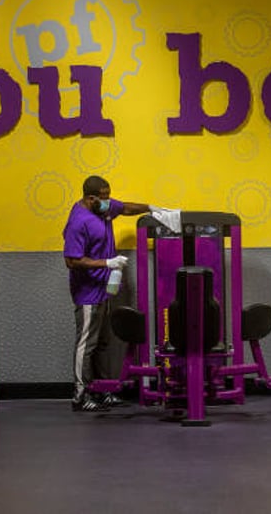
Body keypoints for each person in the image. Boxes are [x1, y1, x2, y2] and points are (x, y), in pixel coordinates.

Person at [63, 174, 158, 412]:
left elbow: (125, 208)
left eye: (108, 196)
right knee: (87, 342)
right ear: (90, 198)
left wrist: (152, 208)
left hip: (104, 289)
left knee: (104, 341)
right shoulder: (79, 221)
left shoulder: (102, 208)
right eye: (103, 198)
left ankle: (104, 390)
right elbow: (72, 261)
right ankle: (80, 394)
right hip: (86, 292)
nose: (108, 202)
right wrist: (107, 263)